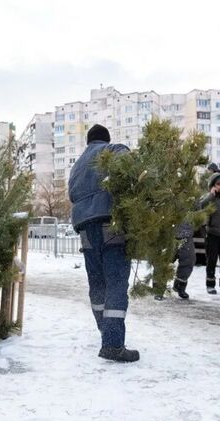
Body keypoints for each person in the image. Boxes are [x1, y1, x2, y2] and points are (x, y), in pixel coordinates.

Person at [68, 124, 139, 363]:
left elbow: (72, 196)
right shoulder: (113, 150)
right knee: (116, 281)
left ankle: (105, 329)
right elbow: (130, 166)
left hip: (85, 228)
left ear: (88, 142)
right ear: (105, 140)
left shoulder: (76, 166)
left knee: (97, 282)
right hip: (111, 224)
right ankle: (113, 344)